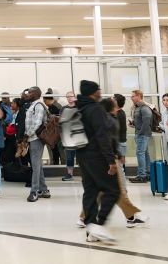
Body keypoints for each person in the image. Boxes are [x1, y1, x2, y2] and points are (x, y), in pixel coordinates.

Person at [77, 97, 149, 229]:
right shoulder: (108, 121)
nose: (117, 108)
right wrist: (114, 159)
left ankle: (84, 217)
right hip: (106, 160)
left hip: (102, 159)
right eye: (115, 106)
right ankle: (131, 217)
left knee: (101, 191)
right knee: (117, 190)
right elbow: (107, 142)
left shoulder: (101, 119)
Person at [75, 81, 119, 245]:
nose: (100, 91)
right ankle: (98, 225)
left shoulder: (80, 108)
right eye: (98, 88)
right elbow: (102, 136)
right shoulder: (96, 109)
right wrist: (110, 160)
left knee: (90, 192)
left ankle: (91, 231)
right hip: (96, 155)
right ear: (93, 92)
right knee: (113, 190)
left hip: (82, 155)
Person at [24, 87, 50, 202]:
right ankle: (44, 190)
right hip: (33, 138)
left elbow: (37, 123)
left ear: (35, 94)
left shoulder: (38, 105)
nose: (27, 94)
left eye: (29, 93)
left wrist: (27, 134)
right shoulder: (34, 104)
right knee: (37, 164)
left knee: (35, 166)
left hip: (36, 138)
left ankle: (34, 191)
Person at [129, 90, 154, 183]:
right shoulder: (137, 107)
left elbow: (147, 121)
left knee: (140, 153)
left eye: (133, 96)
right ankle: (148, 174)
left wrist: (140, 132)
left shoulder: (144, 107)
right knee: (144, 154)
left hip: (143, 135)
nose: (131, 98)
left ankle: (142, 175)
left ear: (139, 96)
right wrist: (133, 124)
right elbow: (141, 121)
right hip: (141, 133)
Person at [60, 91, 79, 181]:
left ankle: (86, 173)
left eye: (71, 96)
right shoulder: (63, 109)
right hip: (68, 136)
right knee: (69, 156)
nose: (69, 98)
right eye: (67, 97)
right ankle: (69, 174)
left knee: (81, 155)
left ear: (75, 97)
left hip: (79, 135)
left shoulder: (79, 108)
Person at [43, 89, 64, 166]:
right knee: (56, 152)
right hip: (56, 134)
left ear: (48, 99)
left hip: (56, 134)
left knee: (59, 152)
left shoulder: (55, 107)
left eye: (44, 101)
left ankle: (60, 167)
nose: (44, 103)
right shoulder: (54, 106)